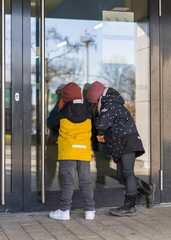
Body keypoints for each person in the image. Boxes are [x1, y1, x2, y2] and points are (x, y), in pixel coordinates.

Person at [87, 81, 156, 217]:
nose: (94, 106)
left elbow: (101, 124)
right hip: (121, 143)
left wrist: (100, 108)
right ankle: (147, 189)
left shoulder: (110, 104)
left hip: (127, 141)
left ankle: (129, 207)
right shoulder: (108, 104)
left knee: (128, 173)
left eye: (94, 103)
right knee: (121, 175)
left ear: (98, 98)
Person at [49, 82, 95, 220]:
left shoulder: (62, 112)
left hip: (68, 151)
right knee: (85, 181)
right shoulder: (87, 111)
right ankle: (89, 211)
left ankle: (64, 211)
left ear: (65, 97)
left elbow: (53, 126)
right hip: (83, 152)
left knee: (68, 181)